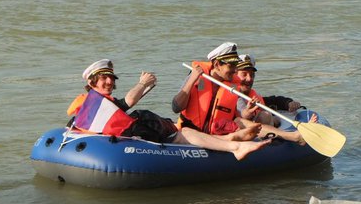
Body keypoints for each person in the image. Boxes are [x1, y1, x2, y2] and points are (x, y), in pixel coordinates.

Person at [67, 59, 269, 160]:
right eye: (104, 78)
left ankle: (228, 140)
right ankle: (234, 146)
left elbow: (118, 110)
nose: (109, 81)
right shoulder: (94, 103)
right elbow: (128, 102)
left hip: (132, 130)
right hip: (132, 133)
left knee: (178, 129)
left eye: (111, 78)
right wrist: (142, 83)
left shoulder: (90, 104)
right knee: (185, 133)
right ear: (92, 82)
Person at [171, 42, 261, 137]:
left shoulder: (232, 86)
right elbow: (176, 107)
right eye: (231, 66)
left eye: (236, 65)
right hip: (190, 136)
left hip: (217, 136)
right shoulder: (196, 77)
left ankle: (275, 139)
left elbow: (242, 111)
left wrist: (246, 112)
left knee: (242, 122)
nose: (235, 70)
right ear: (217, 64)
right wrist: (192, 80)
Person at [233, 54, 317, 144]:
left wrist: (288, 103)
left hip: (259, 133)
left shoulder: (253, 96)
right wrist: (247, 114)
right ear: (234, 75)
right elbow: (241, 114)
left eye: (252, 75)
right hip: (242, 134)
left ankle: (278, 127)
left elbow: (273, 101)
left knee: (269, 115)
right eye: (244, 74)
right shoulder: (231, 95)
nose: (249, 79)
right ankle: (294, 136)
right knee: (264, 115)